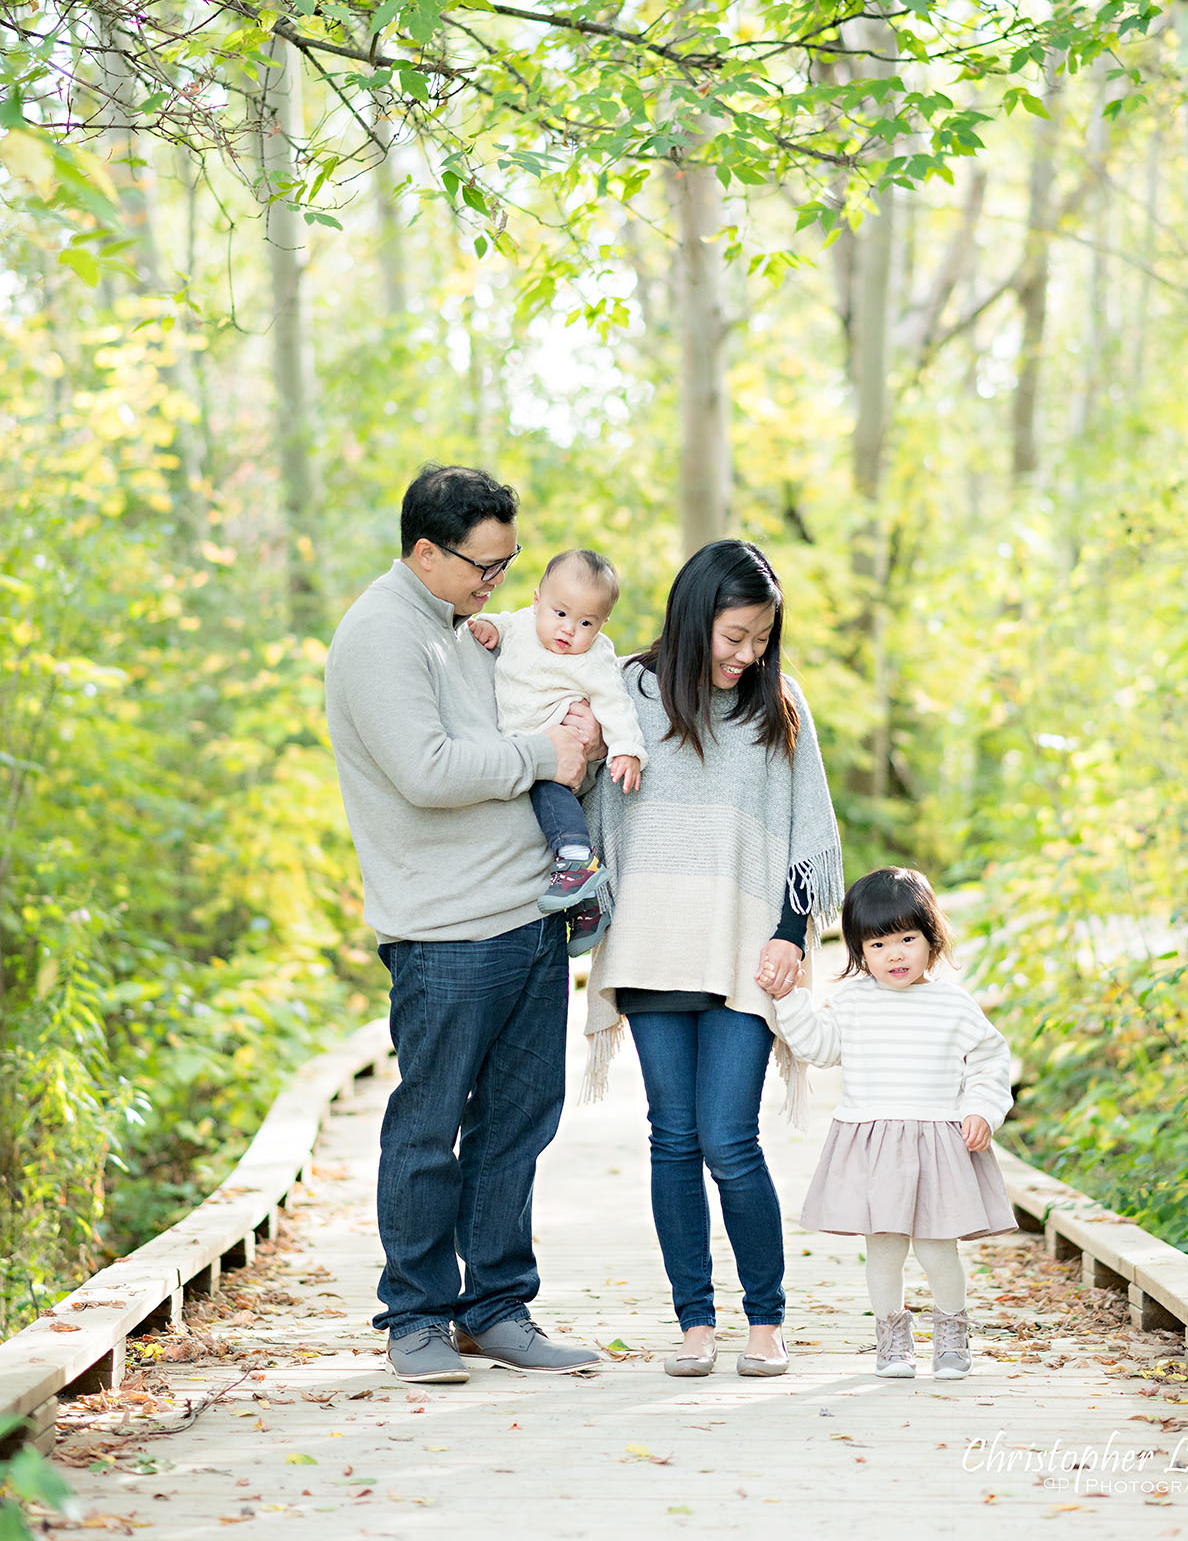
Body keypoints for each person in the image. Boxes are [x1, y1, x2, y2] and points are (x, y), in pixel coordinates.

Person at [324, 463, 603, 1385]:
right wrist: (542, 752)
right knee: (428, 1128)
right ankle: (414, 1318)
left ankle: (496, 1308)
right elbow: (428, 770)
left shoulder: (462, 630)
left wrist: (580, 744)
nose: (497, 580)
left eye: (506, 560)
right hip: (444, 934)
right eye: (485, 564)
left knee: (517, 1125)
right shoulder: (379, 636)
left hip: (528, 915)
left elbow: (537, 741)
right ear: (423, 552)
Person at [583, 540, 844, 1380]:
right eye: (733, 637)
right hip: (654, 947)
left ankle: (763, 1321)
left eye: (761, 638)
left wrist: (786, 932)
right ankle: (694, 1324)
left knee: (730, 1140)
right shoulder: (628, 693)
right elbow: (550, 676)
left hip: (742, 953)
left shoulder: (780, 704)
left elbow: (804, 835)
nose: (747, 655)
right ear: (695, 620)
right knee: (672, 1139)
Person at [762, 866, 1015, 1381]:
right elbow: (819, 1046)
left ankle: (951, 1333)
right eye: (877, 945)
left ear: (931, 940)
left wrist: (981, 1110)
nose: (894, 954)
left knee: (938, 1249)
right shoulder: (853, 1002)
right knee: (883, 1251)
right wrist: (789, 1000)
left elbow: (990, 1060)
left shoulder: (953, 1004)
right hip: (874, 1142)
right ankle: (893, 1339)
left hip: (938, 1143)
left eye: (907, 939)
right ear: (858, 950)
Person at [469, 548, 647, 955]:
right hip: (525, 747)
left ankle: (577, 858)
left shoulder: (594, 658)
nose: (568, 629)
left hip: (561, 755)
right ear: (536, 601)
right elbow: (500, 623)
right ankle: (586, 909)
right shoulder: (520, 624)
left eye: (585, 622)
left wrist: (626, 748)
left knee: (548, 796)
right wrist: (489, 629)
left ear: (602, 626)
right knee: (538, 822)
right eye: (560, 613)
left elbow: (614, 702)